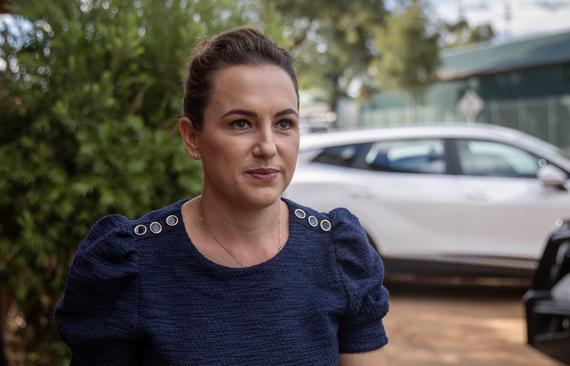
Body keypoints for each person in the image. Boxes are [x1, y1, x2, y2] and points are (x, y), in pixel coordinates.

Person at [55, 27, 389, 365]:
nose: (268, 147)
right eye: (241, 123)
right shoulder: (131, 266)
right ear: (192, 137)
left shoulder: (339, 255)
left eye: (284, 123)